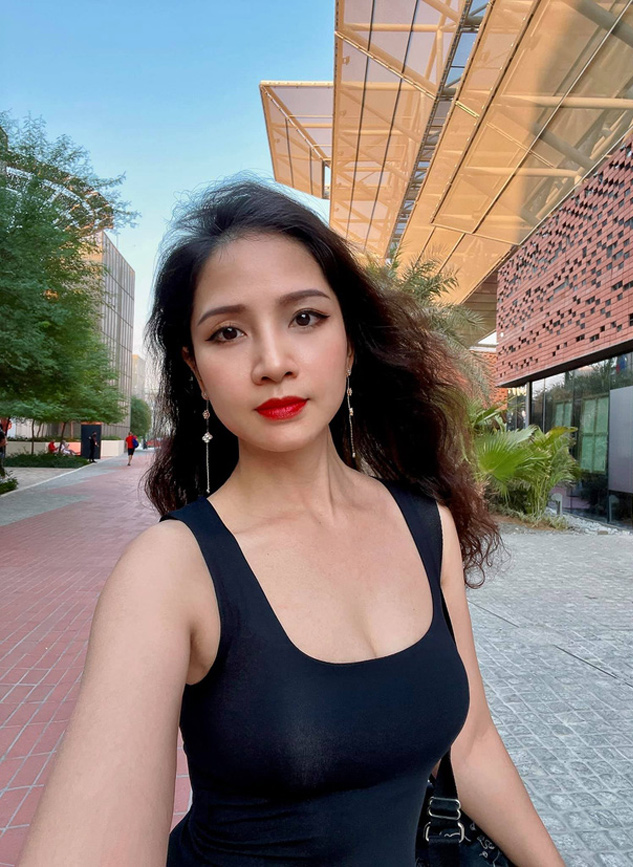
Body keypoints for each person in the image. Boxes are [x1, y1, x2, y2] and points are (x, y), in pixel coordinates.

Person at [16, 179, 566, 867]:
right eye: (227, 332)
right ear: (196, 369)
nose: (273, 362)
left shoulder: (428, 527)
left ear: (350, 341)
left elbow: (472, 743)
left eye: (305, 317)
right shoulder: (172, 570)